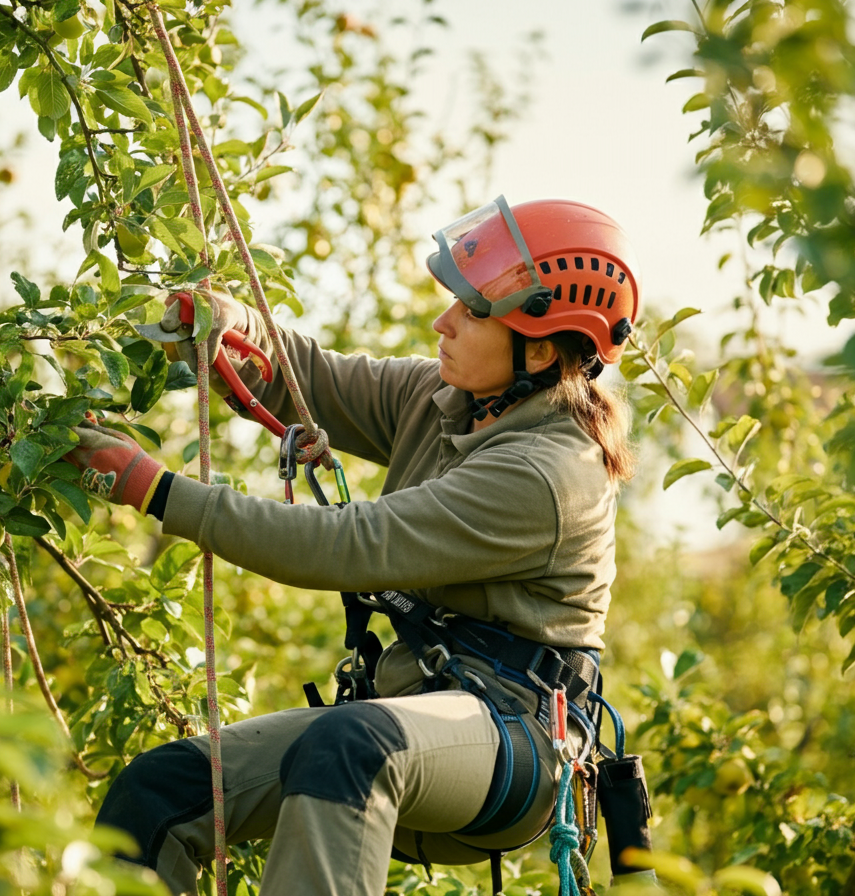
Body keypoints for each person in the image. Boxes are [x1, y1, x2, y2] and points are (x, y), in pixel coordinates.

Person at [67, 197, 641, 896]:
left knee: (347, 744)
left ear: (543, 346)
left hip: (514, 737)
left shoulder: (549, 472)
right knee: (155, 796)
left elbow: (353, 543)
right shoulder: (450, 397)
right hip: (409, 714)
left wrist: (156, 490)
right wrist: (235, 325)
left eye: (471, 311)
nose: (444, 320)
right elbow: (314, 379)